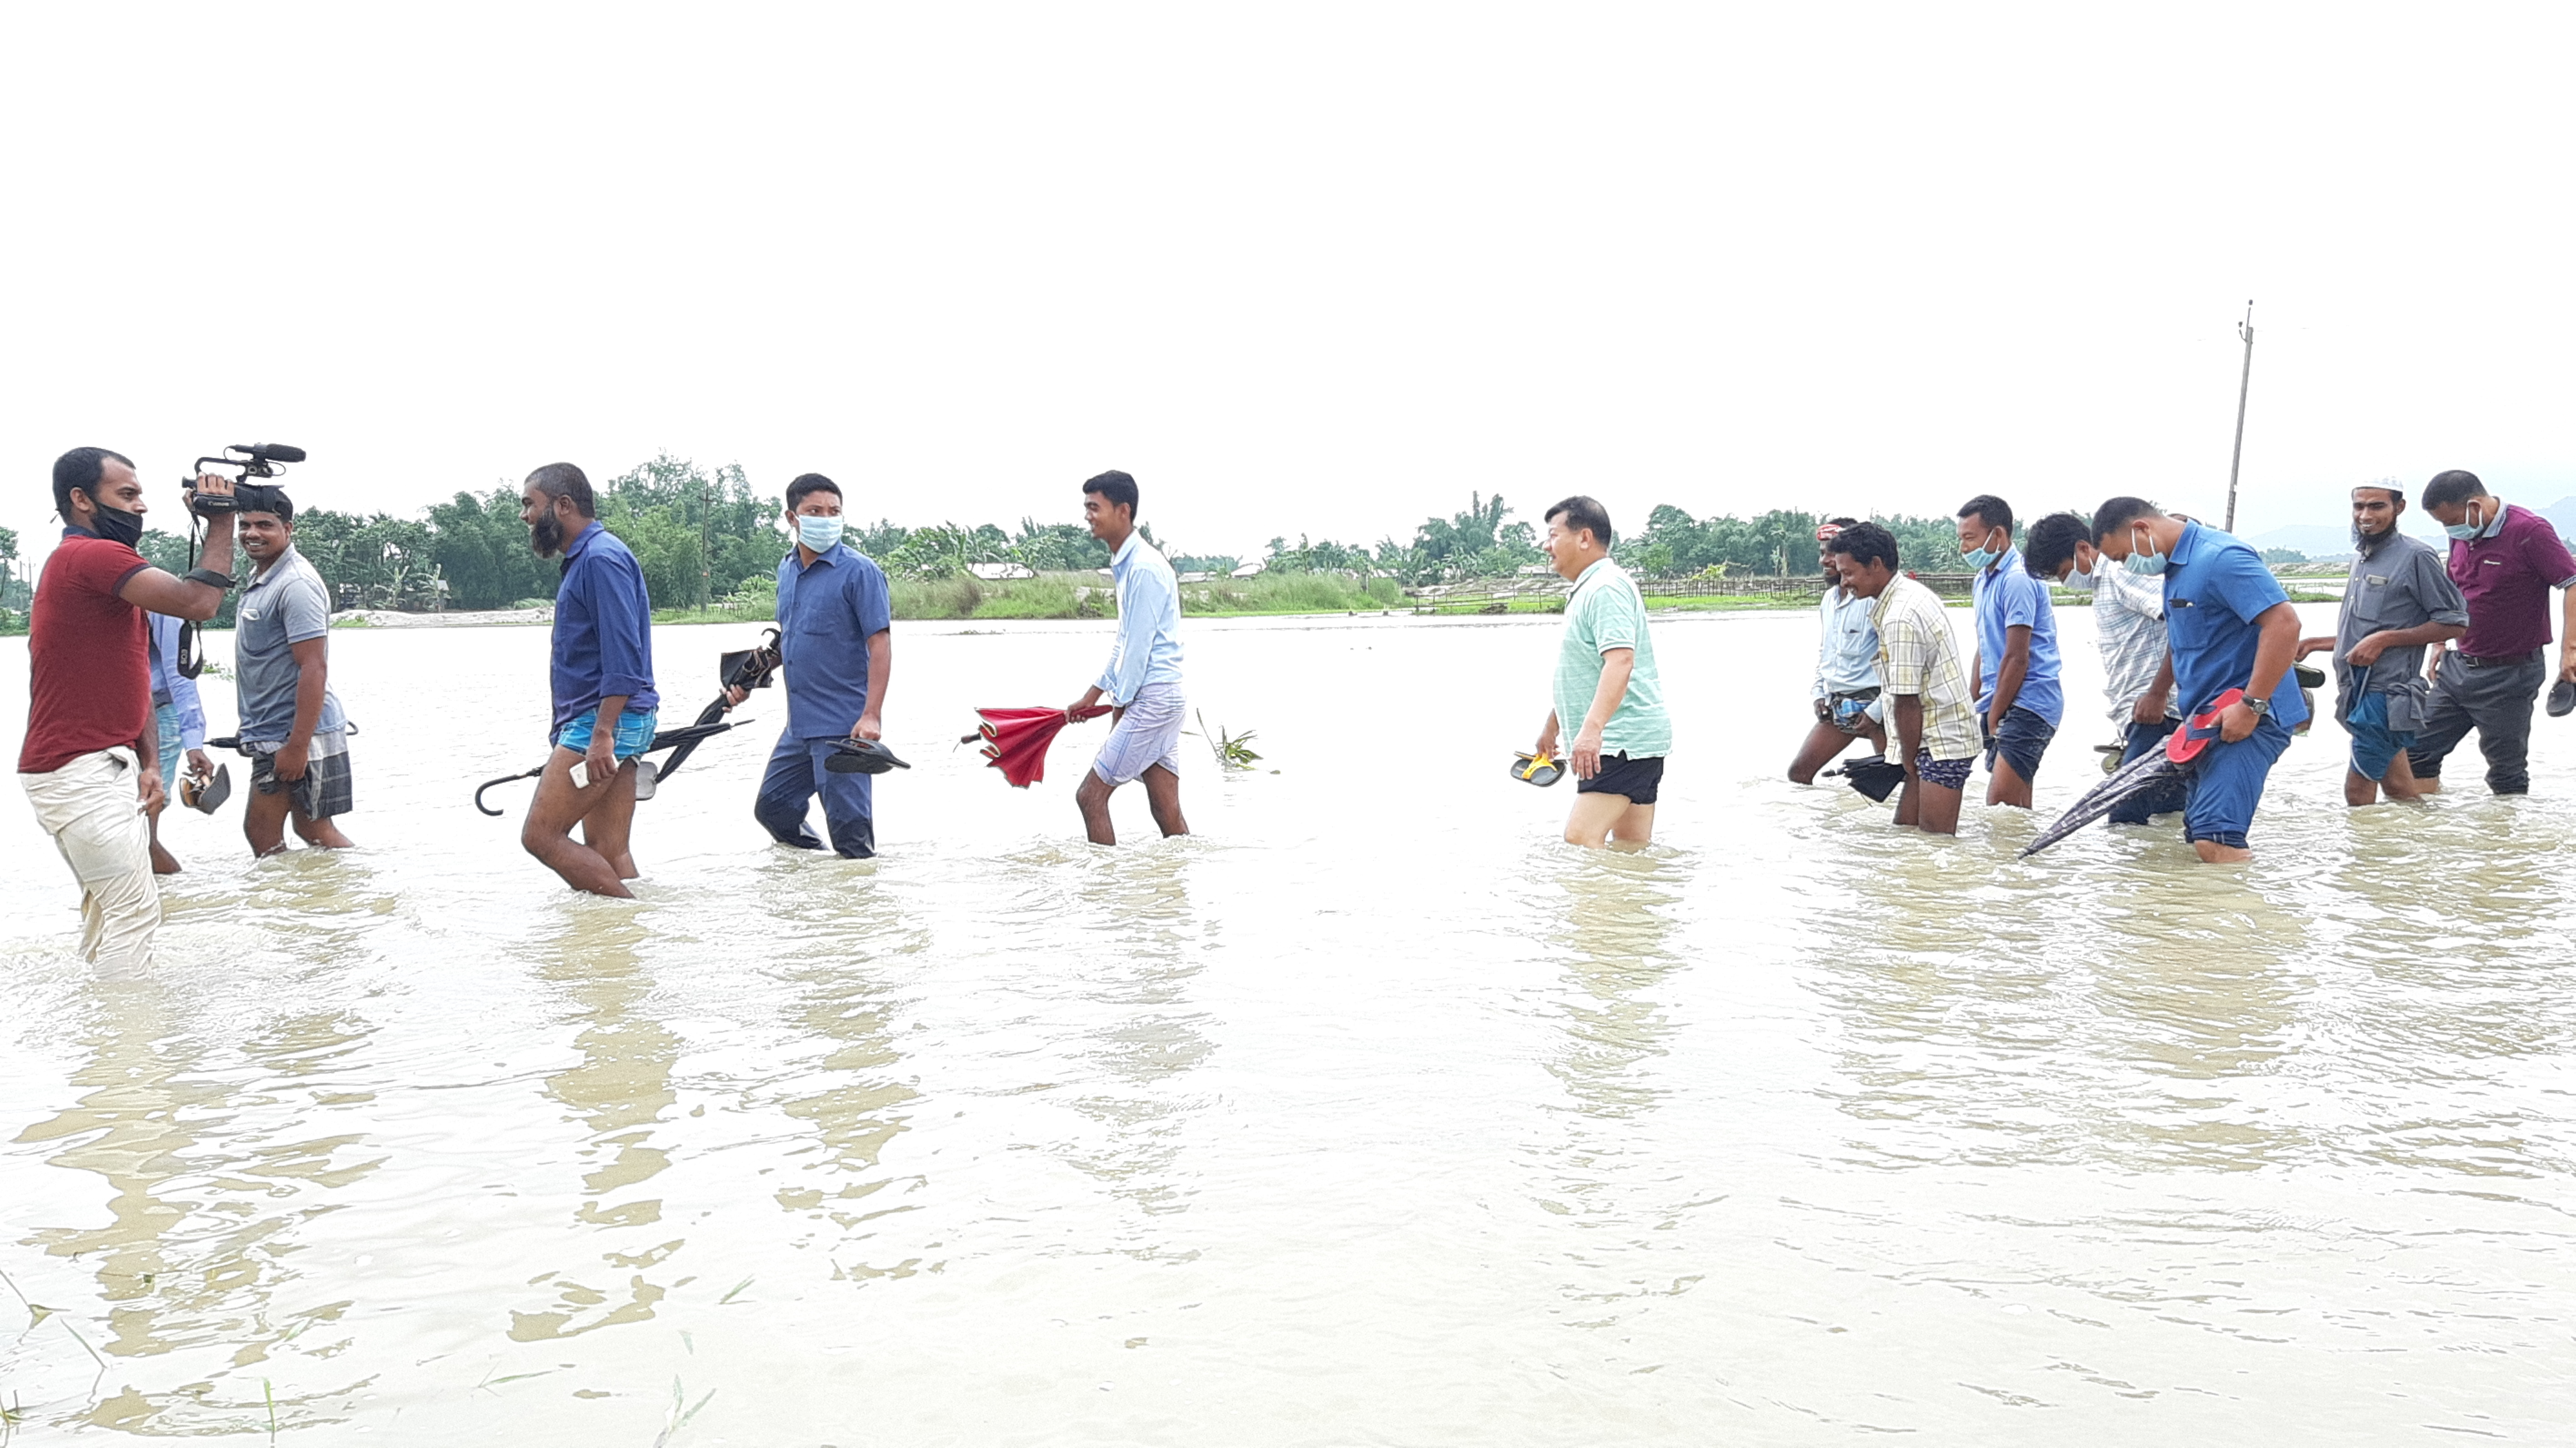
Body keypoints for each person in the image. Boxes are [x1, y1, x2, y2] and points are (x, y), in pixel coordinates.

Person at [20, 447, 236, 975]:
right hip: (81, 771)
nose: (142, 506)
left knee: (107, 913)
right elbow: (198, 603)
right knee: (134, 913)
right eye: (127, 494)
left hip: (92, 767)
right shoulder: (90, 558)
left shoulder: (103, 575)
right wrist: (222, 521)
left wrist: (151, 765)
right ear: (81, 500)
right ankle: (133, 1048)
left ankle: (106, 1041)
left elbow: (133, 677)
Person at [2091, 497, 2305, 862]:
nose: (2127, 567)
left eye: (2123, 557)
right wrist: (2159, 692)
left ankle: (2259, 915)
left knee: (2216, 838)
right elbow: (2182, 641)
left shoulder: (2220, 557)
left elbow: (2285, 624)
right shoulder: (2174, 572)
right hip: (2205, 724)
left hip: (2249, 717)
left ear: (2142, 530)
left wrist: (2252, 706)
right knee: (2196, 837)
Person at [518, 463, 660, 896]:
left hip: (603, 722)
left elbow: (623, 656)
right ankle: (627, 945)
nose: (524, 516)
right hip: (613, 721)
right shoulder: (591, 558)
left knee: (541, 837)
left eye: (530, 504)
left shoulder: (600, 559)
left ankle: (627, 918)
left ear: (563, 506)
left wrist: (602, 735)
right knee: (609, 849)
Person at [741, 473, 894, 858]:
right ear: (792, 518)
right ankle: (815, 874)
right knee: (773, 808)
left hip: (844, 728)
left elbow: (880, 645)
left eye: (834, 511)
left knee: (851, 832)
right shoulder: (787, 570)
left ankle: (856, 901)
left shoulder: (860, 572)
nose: (826, 519)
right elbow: (791, 636)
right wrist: (753, 674)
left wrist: (872, 715)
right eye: (815, 511)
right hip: (799, 727)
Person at [2405, 469, 2576, 796]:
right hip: (2458, 667)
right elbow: (2451, 589)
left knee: (2506, 775)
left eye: (2451, 521)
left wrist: (2570, 650)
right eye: (2442, 525)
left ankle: (2507, 844)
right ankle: (2422, 840)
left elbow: (2572, 583)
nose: (2449, 530)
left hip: (2510, 674)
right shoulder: (2462, 532)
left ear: (2475, 506)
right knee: (2417, 753)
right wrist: (2439, 641)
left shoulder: (2530, 531)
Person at [2294, 484, 2466, 806]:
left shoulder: (2417, 556)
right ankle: (2421, 847)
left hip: (2386, 696)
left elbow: (2455, 622)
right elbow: (2368, 634)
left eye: (2376, 507)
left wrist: (2386, 639)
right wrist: (2315, 644)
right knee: (2400, 789)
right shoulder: (2363, 557)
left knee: (2357, 792)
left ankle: (2364, 856)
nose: (2365, 516)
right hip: (2355, 690)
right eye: (2359, 507)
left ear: (2399, 508)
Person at [2023, 512, 2184, 825]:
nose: (2065, 581)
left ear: (2083, 549)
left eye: (2063, 572)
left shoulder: (2119, 573)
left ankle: (2126, 874)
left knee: (2124, 815)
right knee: (2168, 813)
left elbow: (2182, 623)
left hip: (2158, 714)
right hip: (2144, 714)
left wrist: (2158, 692)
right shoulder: (2103, 584)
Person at [1532, 496, 1671, 848]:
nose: (1546, 546)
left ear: (1584, 538)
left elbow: (1621, 661)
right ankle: (1626, 904)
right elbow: (1587, 671)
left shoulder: (1605, 587)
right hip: (1631, 742)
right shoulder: (1590, 588)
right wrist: (1554, 727)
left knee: (1580, 839)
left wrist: (1592, 733)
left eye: (1553, 535)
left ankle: (1592, 906)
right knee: (1630, 850)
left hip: (1620, 743)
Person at [1826, 521, 1980, 835]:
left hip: (1940, 743)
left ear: (1876, 565)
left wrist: (1907, 764)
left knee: (1936, 843)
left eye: (1849, 573)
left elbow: (1907, 700)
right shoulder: (1910, 595)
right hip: (1931, 738)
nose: (1844, 582)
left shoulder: (1899, 618)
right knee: (1908, 836)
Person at [1063, 470, 1188, 845]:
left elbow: (1138, 651)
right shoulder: (1129, 564)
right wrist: (1093, 694)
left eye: (1094, 507)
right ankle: (1180, 892)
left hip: (1152, 699)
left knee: (1090, 796)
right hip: (1161, 698)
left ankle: (1106, 895)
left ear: (1123, 511)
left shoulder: (1145, 568)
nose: (1088, 516)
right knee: (1167, 811)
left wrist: (1121, 708)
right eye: (1086, 507)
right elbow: (1125, 641)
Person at [233, 490, 358, 855]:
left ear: (288, 529)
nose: (252, 534)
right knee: (314, 828)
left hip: (296, 733)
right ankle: (349, 894)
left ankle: (279, 909)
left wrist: (297, 746)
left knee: (261, 831)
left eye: (264, 526)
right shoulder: (264, 579)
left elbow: (314, 666)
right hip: (277, 729)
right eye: (245, 525)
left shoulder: (296, 584)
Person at [1956, 495, 2062, 807]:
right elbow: (1985, 647)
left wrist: (1996, 715)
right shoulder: (1983, 580)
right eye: (1961, 539)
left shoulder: (2018, 578)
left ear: (1998, 535)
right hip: (2000, 700)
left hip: (2029, 702)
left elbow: (2018, 656)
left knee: (2000, 807)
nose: (1964, 548)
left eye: (1970, 538)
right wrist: (1971, 702)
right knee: (2015, 809)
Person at [1789, 517, 1888, 784]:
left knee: (1894, 779)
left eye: (1832, 553)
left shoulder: (1873, 601)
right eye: (1822, 553)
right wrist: (1819, 693)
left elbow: (1898, 667)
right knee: (1799, 774)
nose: (1825, 561)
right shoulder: (1829, 600)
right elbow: (1827, 653)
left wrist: (1876, 712)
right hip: (1838, 705)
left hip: (1878, 706)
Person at [144, 609, 213, 873]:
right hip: (119, 719)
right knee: (126, 823)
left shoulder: (157, 602)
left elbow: (180, 674)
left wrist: (193, 742)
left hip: (160, 716)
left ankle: (168, 897)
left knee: (142, 825)